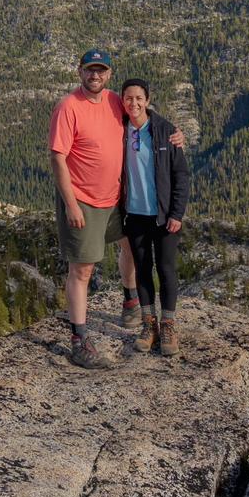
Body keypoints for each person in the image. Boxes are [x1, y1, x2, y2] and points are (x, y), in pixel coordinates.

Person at [49, 51, 185, 367]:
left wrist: (175, 133)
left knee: (130, 249)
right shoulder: (68, 107)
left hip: (118, 199)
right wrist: (71, 204)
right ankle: (80, 339)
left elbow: (142, 115)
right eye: (89, 70)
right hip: (83, 200)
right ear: (80, 72)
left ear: (108, 74)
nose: (94, 75)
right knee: (82, 269)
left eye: (101, 70)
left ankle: (130, 300)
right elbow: (57, 158)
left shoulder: (114, 101)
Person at [120, 78, 189, 358]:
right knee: (143, 269)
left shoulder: (165, 132)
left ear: (147, 100)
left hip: (163, 217)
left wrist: (176, 213)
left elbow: (181, 175)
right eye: (128, 98)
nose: (133, 103)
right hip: (134, 215)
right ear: (122, 102)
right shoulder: (119, 130)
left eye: (139, 98)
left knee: (166, 269)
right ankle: (149, 325)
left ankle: (169, 325)